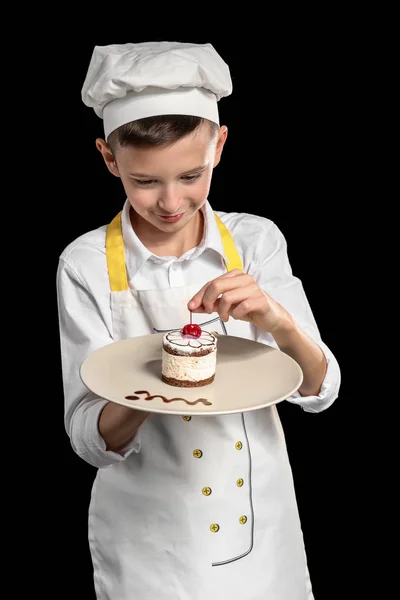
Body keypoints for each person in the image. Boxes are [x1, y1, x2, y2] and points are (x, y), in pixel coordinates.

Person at [57, 41, 341, 600]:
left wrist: (278, 321)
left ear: (220, 146)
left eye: (190, 175)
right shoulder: (84, 263)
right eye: (144, 181)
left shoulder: (256, 240)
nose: (170, 201)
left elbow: (320, 388)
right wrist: (154, 377)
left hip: (261, 529)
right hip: (152, 541)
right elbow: (87, 437)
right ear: (109, 159)